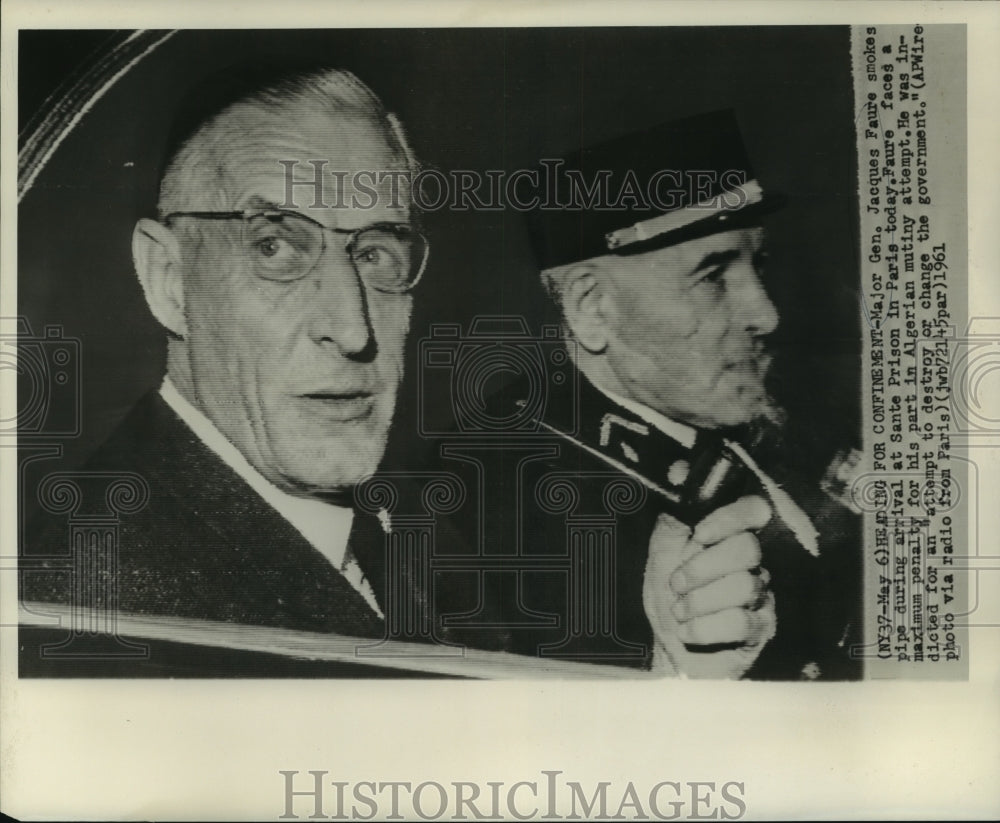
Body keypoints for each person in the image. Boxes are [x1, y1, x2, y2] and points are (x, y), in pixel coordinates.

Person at [432, 110, 860, 679]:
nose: (766, 313)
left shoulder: (782, 420)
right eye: (712, 276)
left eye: (758, 265)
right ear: (592, 308)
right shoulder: (486, 510)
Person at [20, 67, 429, 645]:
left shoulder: (427, 540)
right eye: (275, 246)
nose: (353, 330)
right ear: (170, 280)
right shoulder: (90, 593)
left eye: (377, 254)